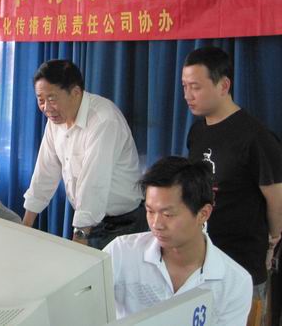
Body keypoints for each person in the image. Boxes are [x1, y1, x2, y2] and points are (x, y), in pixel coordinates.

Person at [183, 47, 282, 305]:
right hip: (202, 260)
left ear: (224, 85)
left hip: (242, 263)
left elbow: (277, 201)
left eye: (195, 87)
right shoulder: (197, 132)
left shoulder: (256, 137)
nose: (187, 95)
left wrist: (271, 245)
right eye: (184, 87)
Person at [104, 156, 253, 325]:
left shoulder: (234, 282)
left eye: (168, 214)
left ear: (203, 214)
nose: (156, 224)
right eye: (150, 211)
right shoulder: (121, 252)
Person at [23, 59, 144, 249]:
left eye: (52, 99)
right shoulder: (56, 121)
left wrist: (80, 239)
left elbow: (93, 184)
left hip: (123, 224)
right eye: (40, 100)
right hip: (89, 220)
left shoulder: (103, 120)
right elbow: (44, 173)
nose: (46, 108)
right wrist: (24, 227)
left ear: (76, 92)